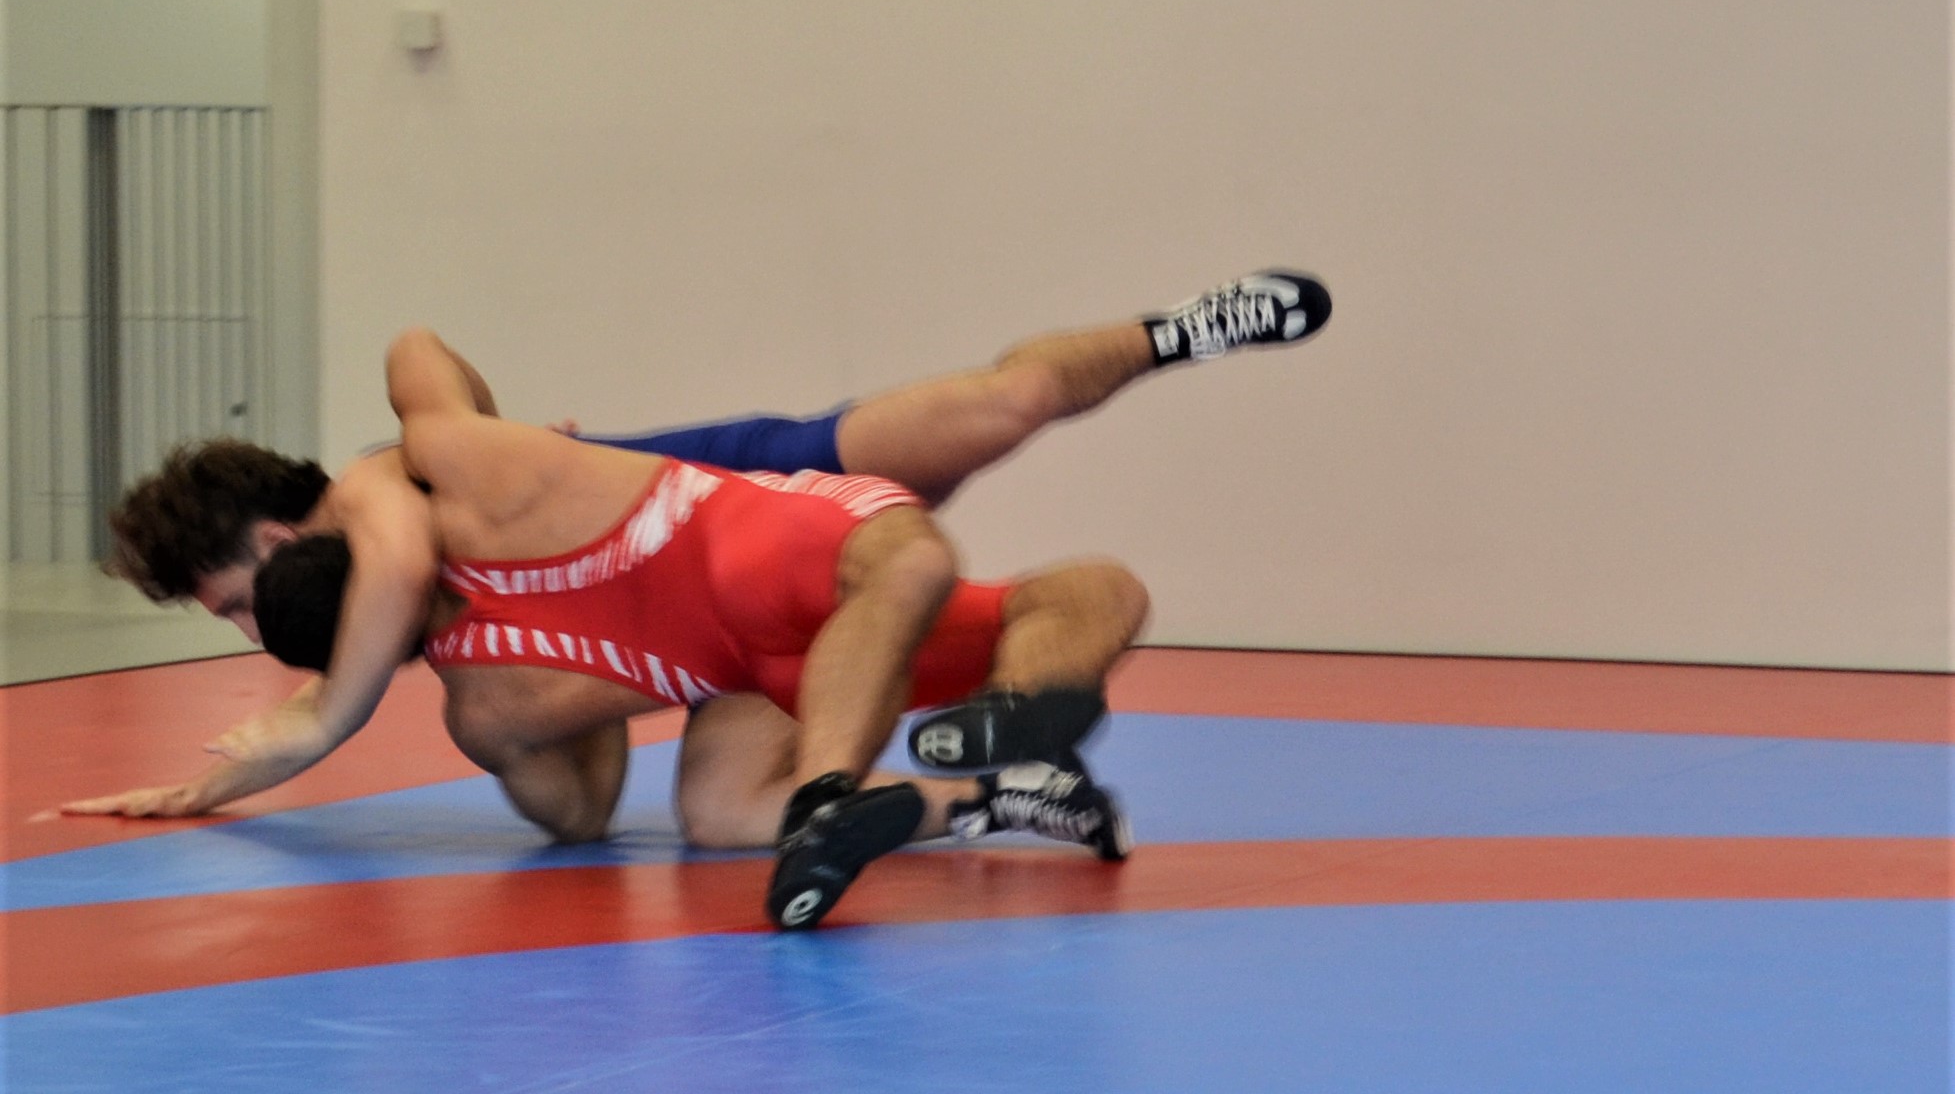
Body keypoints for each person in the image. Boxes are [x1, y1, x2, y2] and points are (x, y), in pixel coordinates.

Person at [63, 270, 1329, 822]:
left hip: (736, 483)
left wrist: (304, 733)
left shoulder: (377, 490)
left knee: (1006, 402)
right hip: (701, 607)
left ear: (281, 533)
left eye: (235, 603)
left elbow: (405, 456)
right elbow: (571, 780)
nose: (257, 637)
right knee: (728, 795)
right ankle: (998, 768)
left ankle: (1182, 329)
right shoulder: (441, 626)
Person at [249, 328, 1149, 928]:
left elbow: (578, 816)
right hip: (767, 646)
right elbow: (414, 346)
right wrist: (395, 478)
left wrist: (340, 714)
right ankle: (1014, 789)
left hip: (779, 569)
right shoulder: (469, 470)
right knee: (719, 812)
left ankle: (960, 737)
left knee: (919, 566)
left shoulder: (485, 716)